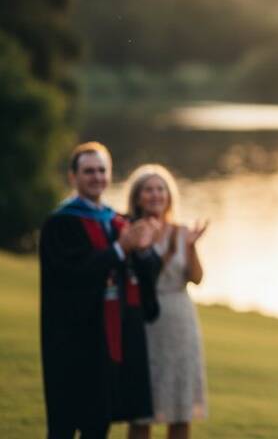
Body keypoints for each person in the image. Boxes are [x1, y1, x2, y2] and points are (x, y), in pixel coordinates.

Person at [39, 142, 162, 439]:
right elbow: (72, 274)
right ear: (73, 177)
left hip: (109, 339)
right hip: (71, 338)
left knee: (98, 424)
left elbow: (147, 273)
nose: (96, 177)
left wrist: (144, 251)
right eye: (88, 171)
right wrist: (121, 248)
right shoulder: (61, 223)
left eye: (102, 170)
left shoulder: (115, 220)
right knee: (65, 423)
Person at [125, 165, 209, 439]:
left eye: (160, 189)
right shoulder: (129, 231)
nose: (155, 195)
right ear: (138, 197)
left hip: (180, 321)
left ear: (169, 196)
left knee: (180, 409)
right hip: (144, 320)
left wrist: (192, 247)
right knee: (141, 411)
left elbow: (196, 278)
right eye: (148, 189)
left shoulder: (182, 232)